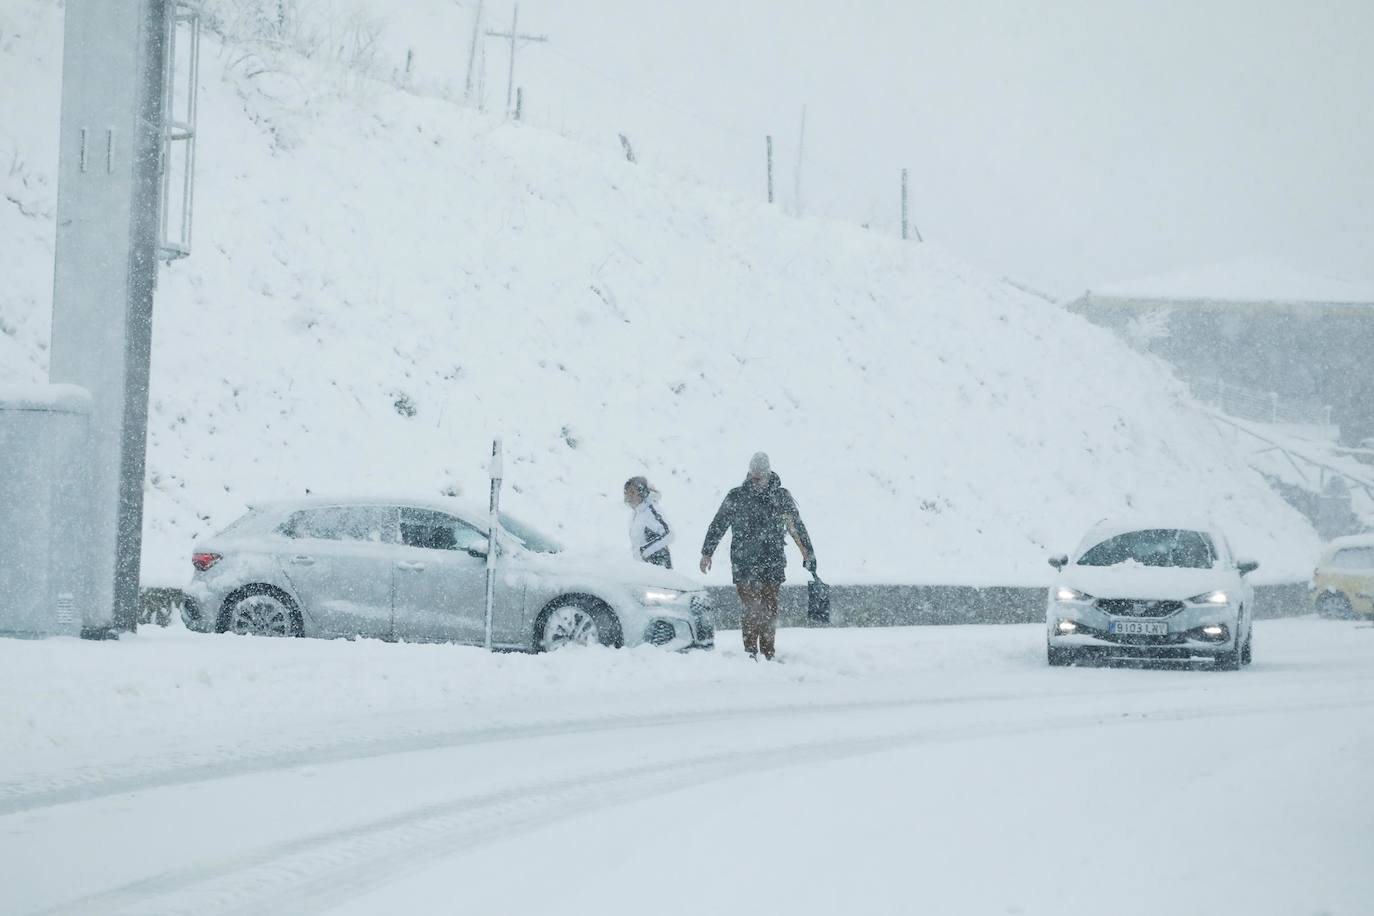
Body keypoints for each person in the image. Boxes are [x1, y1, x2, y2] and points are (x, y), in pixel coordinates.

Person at [699, 452, 815, 660]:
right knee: (752, 608)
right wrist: (707, 552)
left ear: (768, 473)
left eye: (761, 474)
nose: (757, 478)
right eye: (754, 474)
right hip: (744, 563)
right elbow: (718, 524)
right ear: (749, 472)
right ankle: (750, 652)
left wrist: (807, 552)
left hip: (772, 562)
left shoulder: (781, 497)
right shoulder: (736, 496)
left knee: (770, 608)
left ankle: (768, 652)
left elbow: (796, 527)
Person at [625, 476, 674, 569]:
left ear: (642, 493)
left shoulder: (651, 510)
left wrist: (645, 551)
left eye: (632, 492)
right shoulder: (636, 513)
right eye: (627, 492)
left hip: (658, 567)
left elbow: (670, 534)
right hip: (643, 569)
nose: (629, 496)